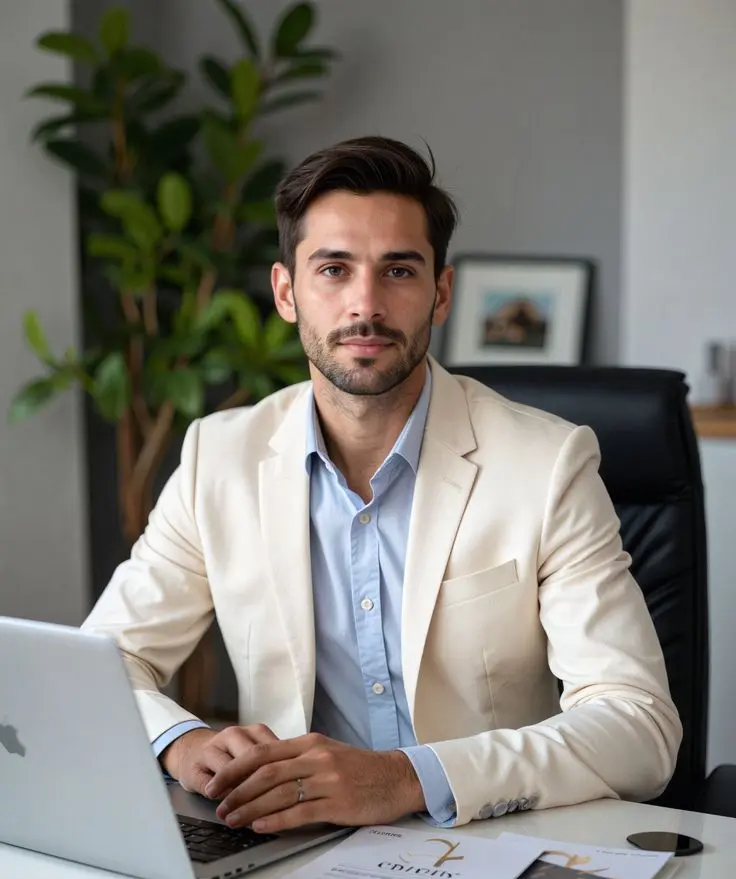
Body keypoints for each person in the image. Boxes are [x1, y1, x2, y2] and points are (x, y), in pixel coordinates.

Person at [82, 136, 682, 833]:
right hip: (286, 844)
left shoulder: (547, 464)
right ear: (286, 292)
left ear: (441, 293)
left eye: (398, 270)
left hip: (486, 840)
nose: (365, 305)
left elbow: (639, 727)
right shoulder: (219, 456)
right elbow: (104, 665)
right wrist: (180, 745)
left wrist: (404, 778)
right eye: (333, 269)